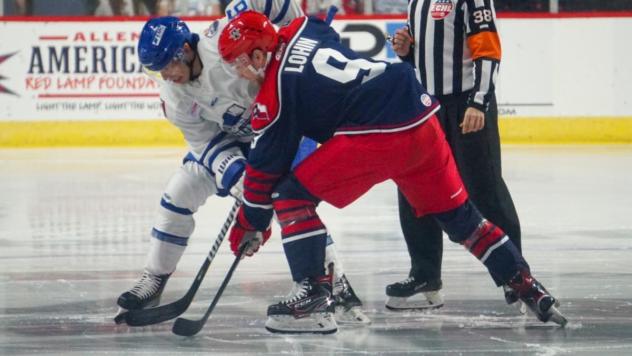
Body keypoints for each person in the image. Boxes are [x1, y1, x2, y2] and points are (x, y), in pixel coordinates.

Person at [218, 11, 567, 334]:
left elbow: (263, 174)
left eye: (238, 62)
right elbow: (324, 33)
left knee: (290, 196)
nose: (237, 72)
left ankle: (313, 300)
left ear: (260, 56)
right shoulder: (304, 28)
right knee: (463, 219)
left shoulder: (272, 97)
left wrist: (250, 224)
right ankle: (527, 285)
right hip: (421, 115)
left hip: (378, 134)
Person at [115, 0, 369, 326]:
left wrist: (302, 27)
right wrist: (241, 180)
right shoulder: (173, 96)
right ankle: (154, 279)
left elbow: (265, 4)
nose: (166, 75)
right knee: (179, 193)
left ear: (185, 51)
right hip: (233, 143)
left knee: (290, 203)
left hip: (281, 128)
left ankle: (336, 282)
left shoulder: (225, 37)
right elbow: (207, 143)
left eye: (168, 65)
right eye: (158, 70)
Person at [386, 0, 523, 311]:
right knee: (414, 188)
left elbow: (487, 49)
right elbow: (423, 53)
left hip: (466, 105)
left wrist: (479, 102)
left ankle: (516, 274)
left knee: (484, 190)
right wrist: (406, 50)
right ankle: (425, 275)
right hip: (426, 105)